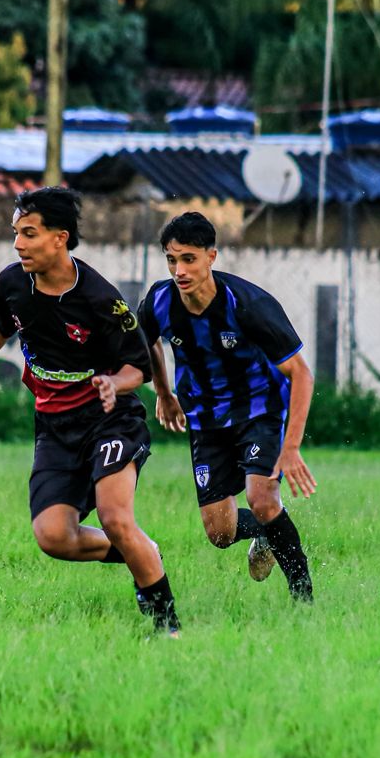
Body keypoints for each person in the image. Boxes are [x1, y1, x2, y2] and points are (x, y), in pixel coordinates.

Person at [0, 186, 181, 634]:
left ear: (60, 238)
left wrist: (113, 383)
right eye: (16, 232)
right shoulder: (13, 283)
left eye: (29, 233)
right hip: (55, 426)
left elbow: (139, 365)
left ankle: (169, 627)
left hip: (111, 419)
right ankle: (144, 552)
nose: (18, 243)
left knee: (115, 518)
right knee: (53, 536)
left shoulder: (100, 298)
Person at [139, 211, 316, 601]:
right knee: (219, 533)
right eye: (172, 260)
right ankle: (268, 532)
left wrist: (290, 448)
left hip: (259, 411)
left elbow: (301, 374)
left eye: (189, 259)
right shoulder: (160, 301)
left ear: (211, 257)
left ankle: (303, 596)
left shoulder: (247, 304)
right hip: (205, 419)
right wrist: (164, 393)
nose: (179, 270)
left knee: (262, 499)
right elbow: (146, 337)